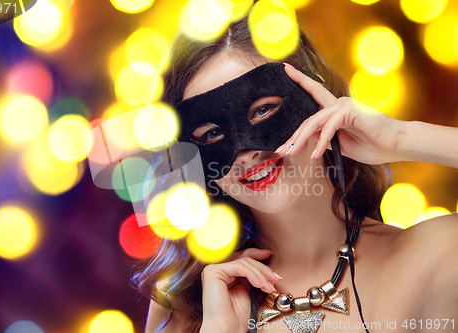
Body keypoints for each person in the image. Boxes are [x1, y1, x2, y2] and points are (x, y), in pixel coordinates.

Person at [132, 13, 458, 333]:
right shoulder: (188, 303)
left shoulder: (436, 254)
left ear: (315, 101)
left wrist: (400, 138)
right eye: (211, 134)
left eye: (263, 111)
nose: (247, 153)